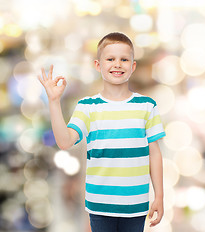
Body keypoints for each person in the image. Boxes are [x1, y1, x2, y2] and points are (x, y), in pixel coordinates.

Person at [38, 32, 166, 232]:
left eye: (124, 59)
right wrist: (54, 102)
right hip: (99, 205)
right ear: (98, 65)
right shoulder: (87, 107)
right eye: (110, 59)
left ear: (133, 66)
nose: (117, 64)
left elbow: (155, 153)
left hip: (136, 204)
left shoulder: (147, 106)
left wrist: (159, 195)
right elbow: (64, 142)